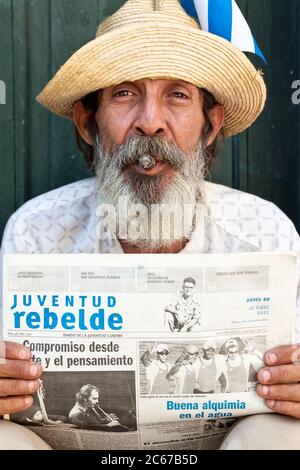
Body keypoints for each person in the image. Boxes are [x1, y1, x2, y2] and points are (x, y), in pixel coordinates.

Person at [1, 0, 300, 449]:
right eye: (124, 93)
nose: (150, 122)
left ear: (210, 124)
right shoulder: (37, 230)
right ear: (88, 122)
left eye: (177, 95)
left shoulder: (264, 230)